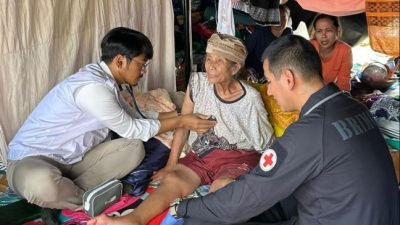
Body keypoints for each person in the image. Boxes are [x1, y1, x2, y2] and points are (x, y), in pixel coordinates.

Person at [97, 35, 399, 225]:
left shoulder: (308, 132)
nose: (269, 91)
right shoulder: (351, 108)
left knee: (215, 212)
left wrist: (181, 211)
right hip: (352, 211)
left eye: (269, 79)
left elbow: (248, 195)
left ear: (289, 78)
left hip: (329, 216)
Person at [6, 27, 216, 214]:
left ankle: (71, 194)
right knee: (43, 184)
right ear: (120, 61)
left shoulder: (108, 83)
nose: (143, 72)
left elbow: (136, 116)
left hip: (75, 162)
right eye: (141, 64)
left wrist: (180, 114)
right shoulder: (93, 88)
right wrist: (182, 122)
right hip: (31, 160)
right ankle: (83, 198)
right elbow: (132, 128)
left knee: (133, 149)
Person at [88, 33, 275, 225]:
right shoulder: (198, 83)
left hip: (237, 157)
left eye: (219, 61)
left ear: (235, 67)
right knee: (174, 179)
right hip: (202, 155)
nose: (210, 65)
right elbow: (184, 125)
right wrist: (171, 164)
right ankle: (133, 219)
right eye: (209, 58)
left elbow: (267, 144)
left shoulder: (250, 99)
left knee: (223, 189)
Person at [244, 5, 292, 81]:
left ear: (288, 20)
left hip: (273, 77)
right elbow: (243, 52)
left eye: (283, 18)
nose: (279, 22)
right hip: (253, 73)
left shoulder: (289, 37)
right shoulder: (259, 33)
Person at [310, 14, 352, 92]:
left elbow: (344, 81)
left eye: (328, 30)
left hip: (326, 92)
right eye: (319, 31)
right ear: (315, 32)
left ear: (337, 30)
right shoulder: (308, 46)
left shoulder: (345, 50)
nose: (324, 36)